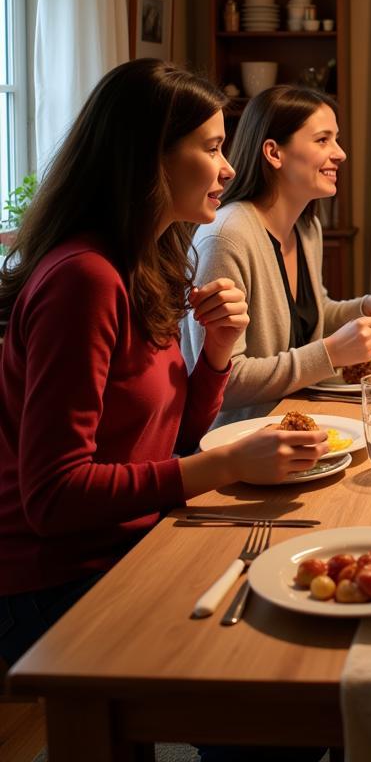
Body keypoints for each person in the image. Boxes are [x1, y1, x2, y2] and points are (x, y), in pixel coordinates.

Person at [0, 61, 330, 668]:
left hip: (134, 533)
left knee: (307, 594)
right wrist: (222, 464)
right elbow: (53, 497)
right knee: (270, 663)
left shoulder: (147, 262)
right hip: (59, 575)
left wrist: (219, 352)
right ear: (151, 159)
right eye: (211, 147)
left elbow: (175, 438)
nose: (230, 168)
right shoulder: (84, 279)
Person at [181, 85, 371, 425]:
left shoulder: (307, 227)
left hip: (301, 416)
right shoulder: (226, 236)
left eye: (336, 139)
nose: (340, 153)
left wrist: (366, 306)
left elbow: (312, 315)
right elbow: (224, 382)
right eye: (323, 140)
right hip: (240, 441)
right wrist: (330, 353)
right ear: (274, 153)